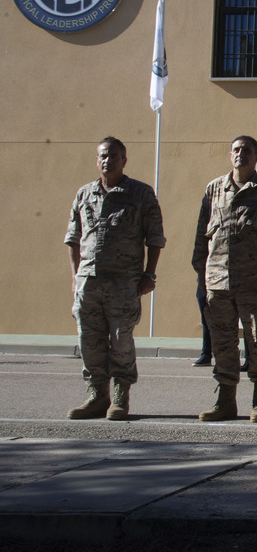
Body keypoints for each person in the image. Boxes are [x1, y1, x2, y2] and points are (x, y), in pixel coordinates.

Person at [65, 136, 165, 420]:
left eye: (114, 156)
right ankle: (97, 394)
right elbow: (73, 238)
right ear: (97, 160)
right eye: (103, 156)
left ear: (124, 160)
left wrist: (149, 273)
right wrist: (75, 277)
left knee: (121, 339)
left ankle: (120, 396)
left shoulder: (140, 194)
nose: (108, 160)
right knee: (89, 339)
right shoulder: (84, 194)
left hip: (124, 281)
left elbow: (155, 238)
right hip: (89, 280)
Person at [193, 135, 257, 422]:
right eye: (236, 150)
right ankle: (225, 402)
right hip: (218, 282)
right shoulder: (214, 189)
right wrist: (201, 274)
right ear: (230, 155)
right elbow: (201, 236)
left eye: (247, 151)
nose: (241, 155)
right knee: (223, 343)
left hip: (255, 282)